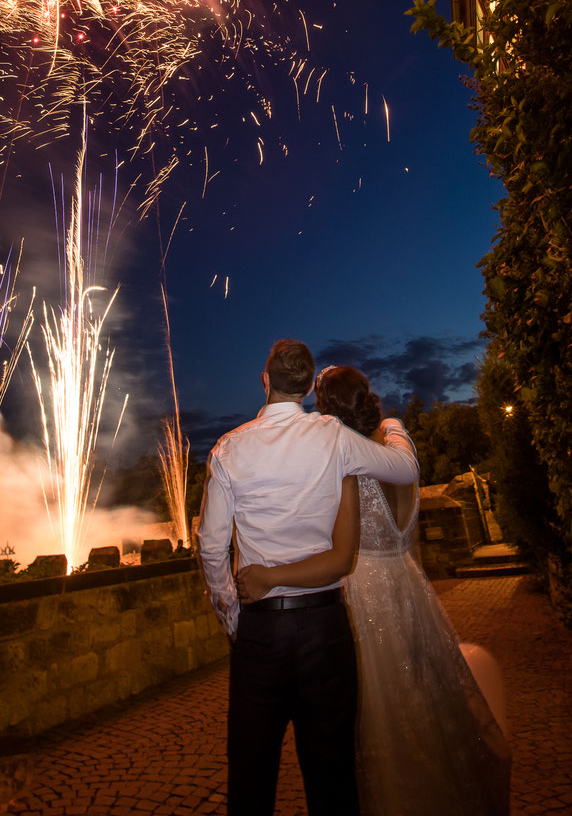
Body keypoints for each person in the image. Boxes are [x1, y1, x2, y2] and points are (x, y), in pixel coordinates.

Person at [237, 366, 511, 816]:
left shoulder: (341, 464)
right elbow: (396, 442)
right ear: (367, 398)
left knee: (364, 715)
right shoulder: (396, 448)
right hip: (405, 586)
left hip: (357, 593)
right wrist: (391, 421)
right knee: (422, 696)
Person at [196, 339, 419, 816]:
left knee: (252, 774)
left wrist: (232, 614)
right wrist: (393, 424)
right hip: (325, 627)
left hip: (262, 629)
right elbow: (405, 469)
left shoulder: (229, 448)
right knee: (333, 774)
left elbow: (212, 546)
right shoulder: (333, 438)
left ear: (265, 379)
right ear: (306, 386)